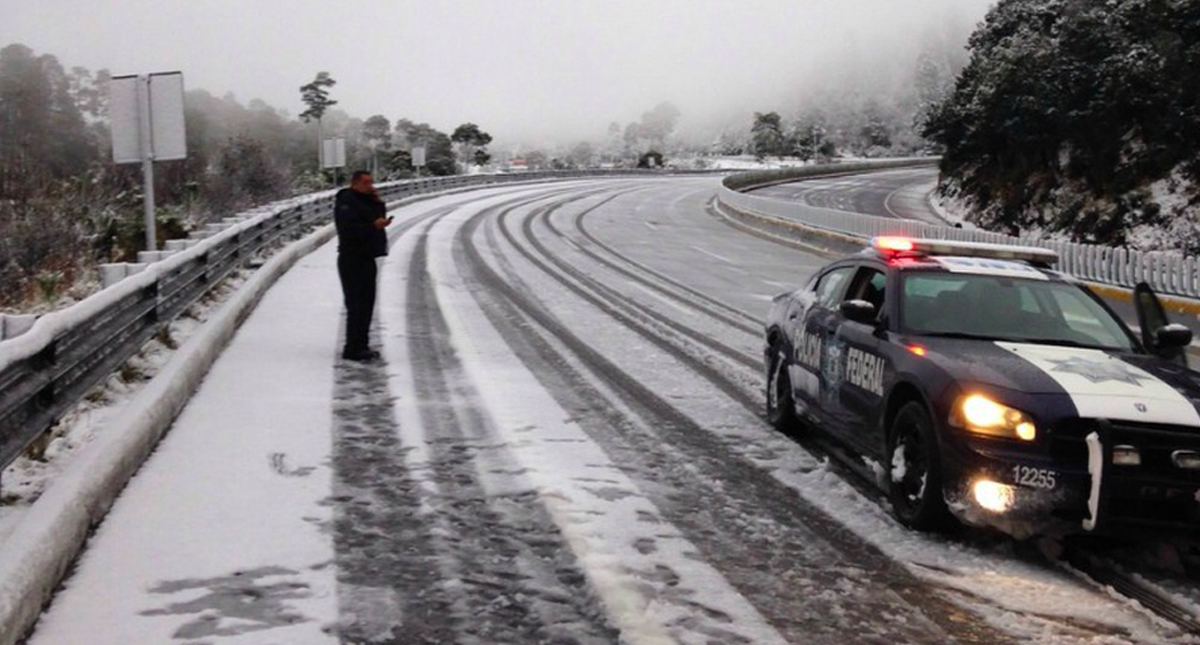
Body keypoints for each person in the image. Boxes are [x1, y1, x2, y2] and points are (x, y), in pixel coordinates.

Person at [334, 170, 392, 361]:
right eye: (366, 183)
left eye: (371, 182)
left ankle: (362, 345)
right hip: (351, 258)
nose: (370, 186)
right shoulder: (346, 201)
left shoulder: (367, 199)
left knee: (367, 304)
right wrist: (373, 227)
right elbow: (348, 230)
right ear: (355, 183)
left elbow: (376, 216)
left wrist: (376, 200)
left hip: (367, 257)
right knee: (355, 305)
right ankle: (351, 348)